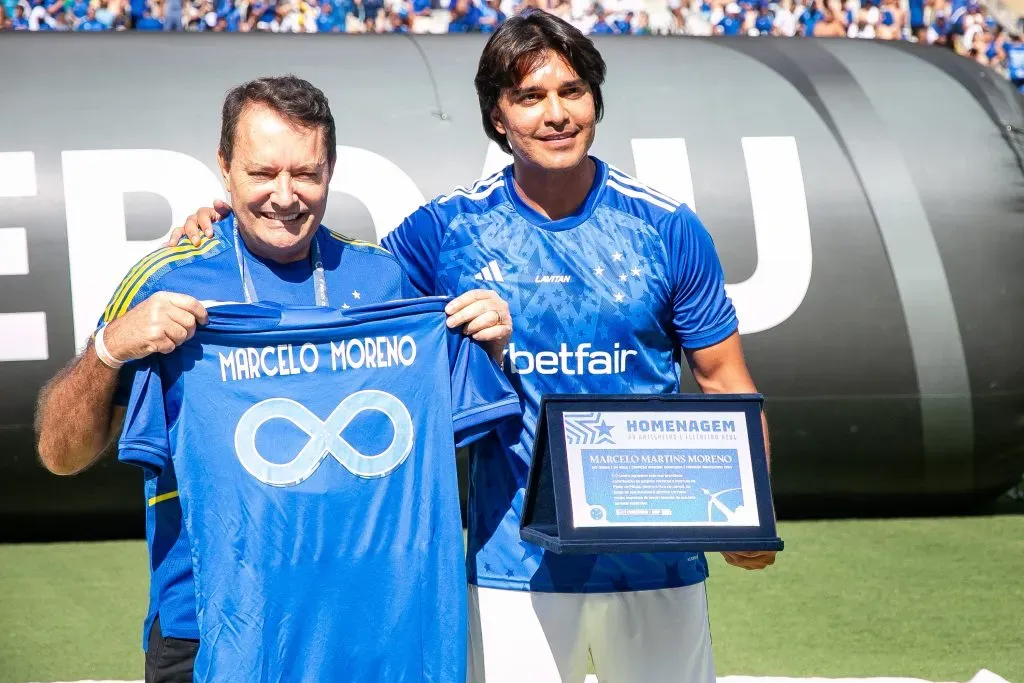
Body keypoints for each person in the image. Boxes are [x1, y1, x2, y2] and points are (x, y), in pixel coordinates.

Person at [171, 10, 776, 682]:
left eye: (572, 91)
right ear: (497, 116)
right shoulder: (442, 231)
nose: (556, 114)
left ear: (596, 102)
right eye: (530, 97)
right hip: (510, 566)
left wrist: (751, 517)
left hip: (659, 560)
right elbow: (343, 282)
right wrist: (222, 223)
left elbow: (727, 382)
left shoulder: (667, 227)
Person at [34, 75, 511, 683]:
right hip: (204, 625)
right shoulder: (165, 279)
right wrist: (110, 348)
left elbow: (436, 449)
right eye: (262, 174)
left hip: (364, 621)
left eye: (305, 173)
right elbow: (59, 454)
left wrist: (488, 351)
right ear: (224, 168)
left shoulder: (383, 282)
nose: (284, 196)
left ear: (331, 169)